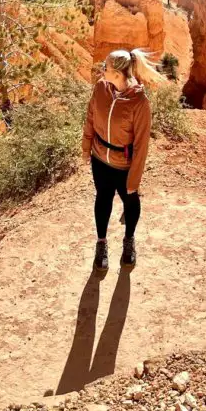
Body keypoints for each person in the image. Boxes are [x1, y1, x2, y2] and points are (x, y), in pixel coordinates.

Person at [82, 47, 160, 270]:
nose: (101, 70)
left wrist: (133, 181)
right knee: (103, 198)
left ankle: (129, 240)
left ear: (117, 73)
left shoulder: (139, 103)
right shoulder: (100, 88)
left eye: (105, 68)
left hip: (124, 164)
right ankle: (101, 243)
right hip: (100, 158)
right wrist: (86, 148)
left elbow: (141, 145)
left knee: (131, 201)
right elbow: (90, 117)